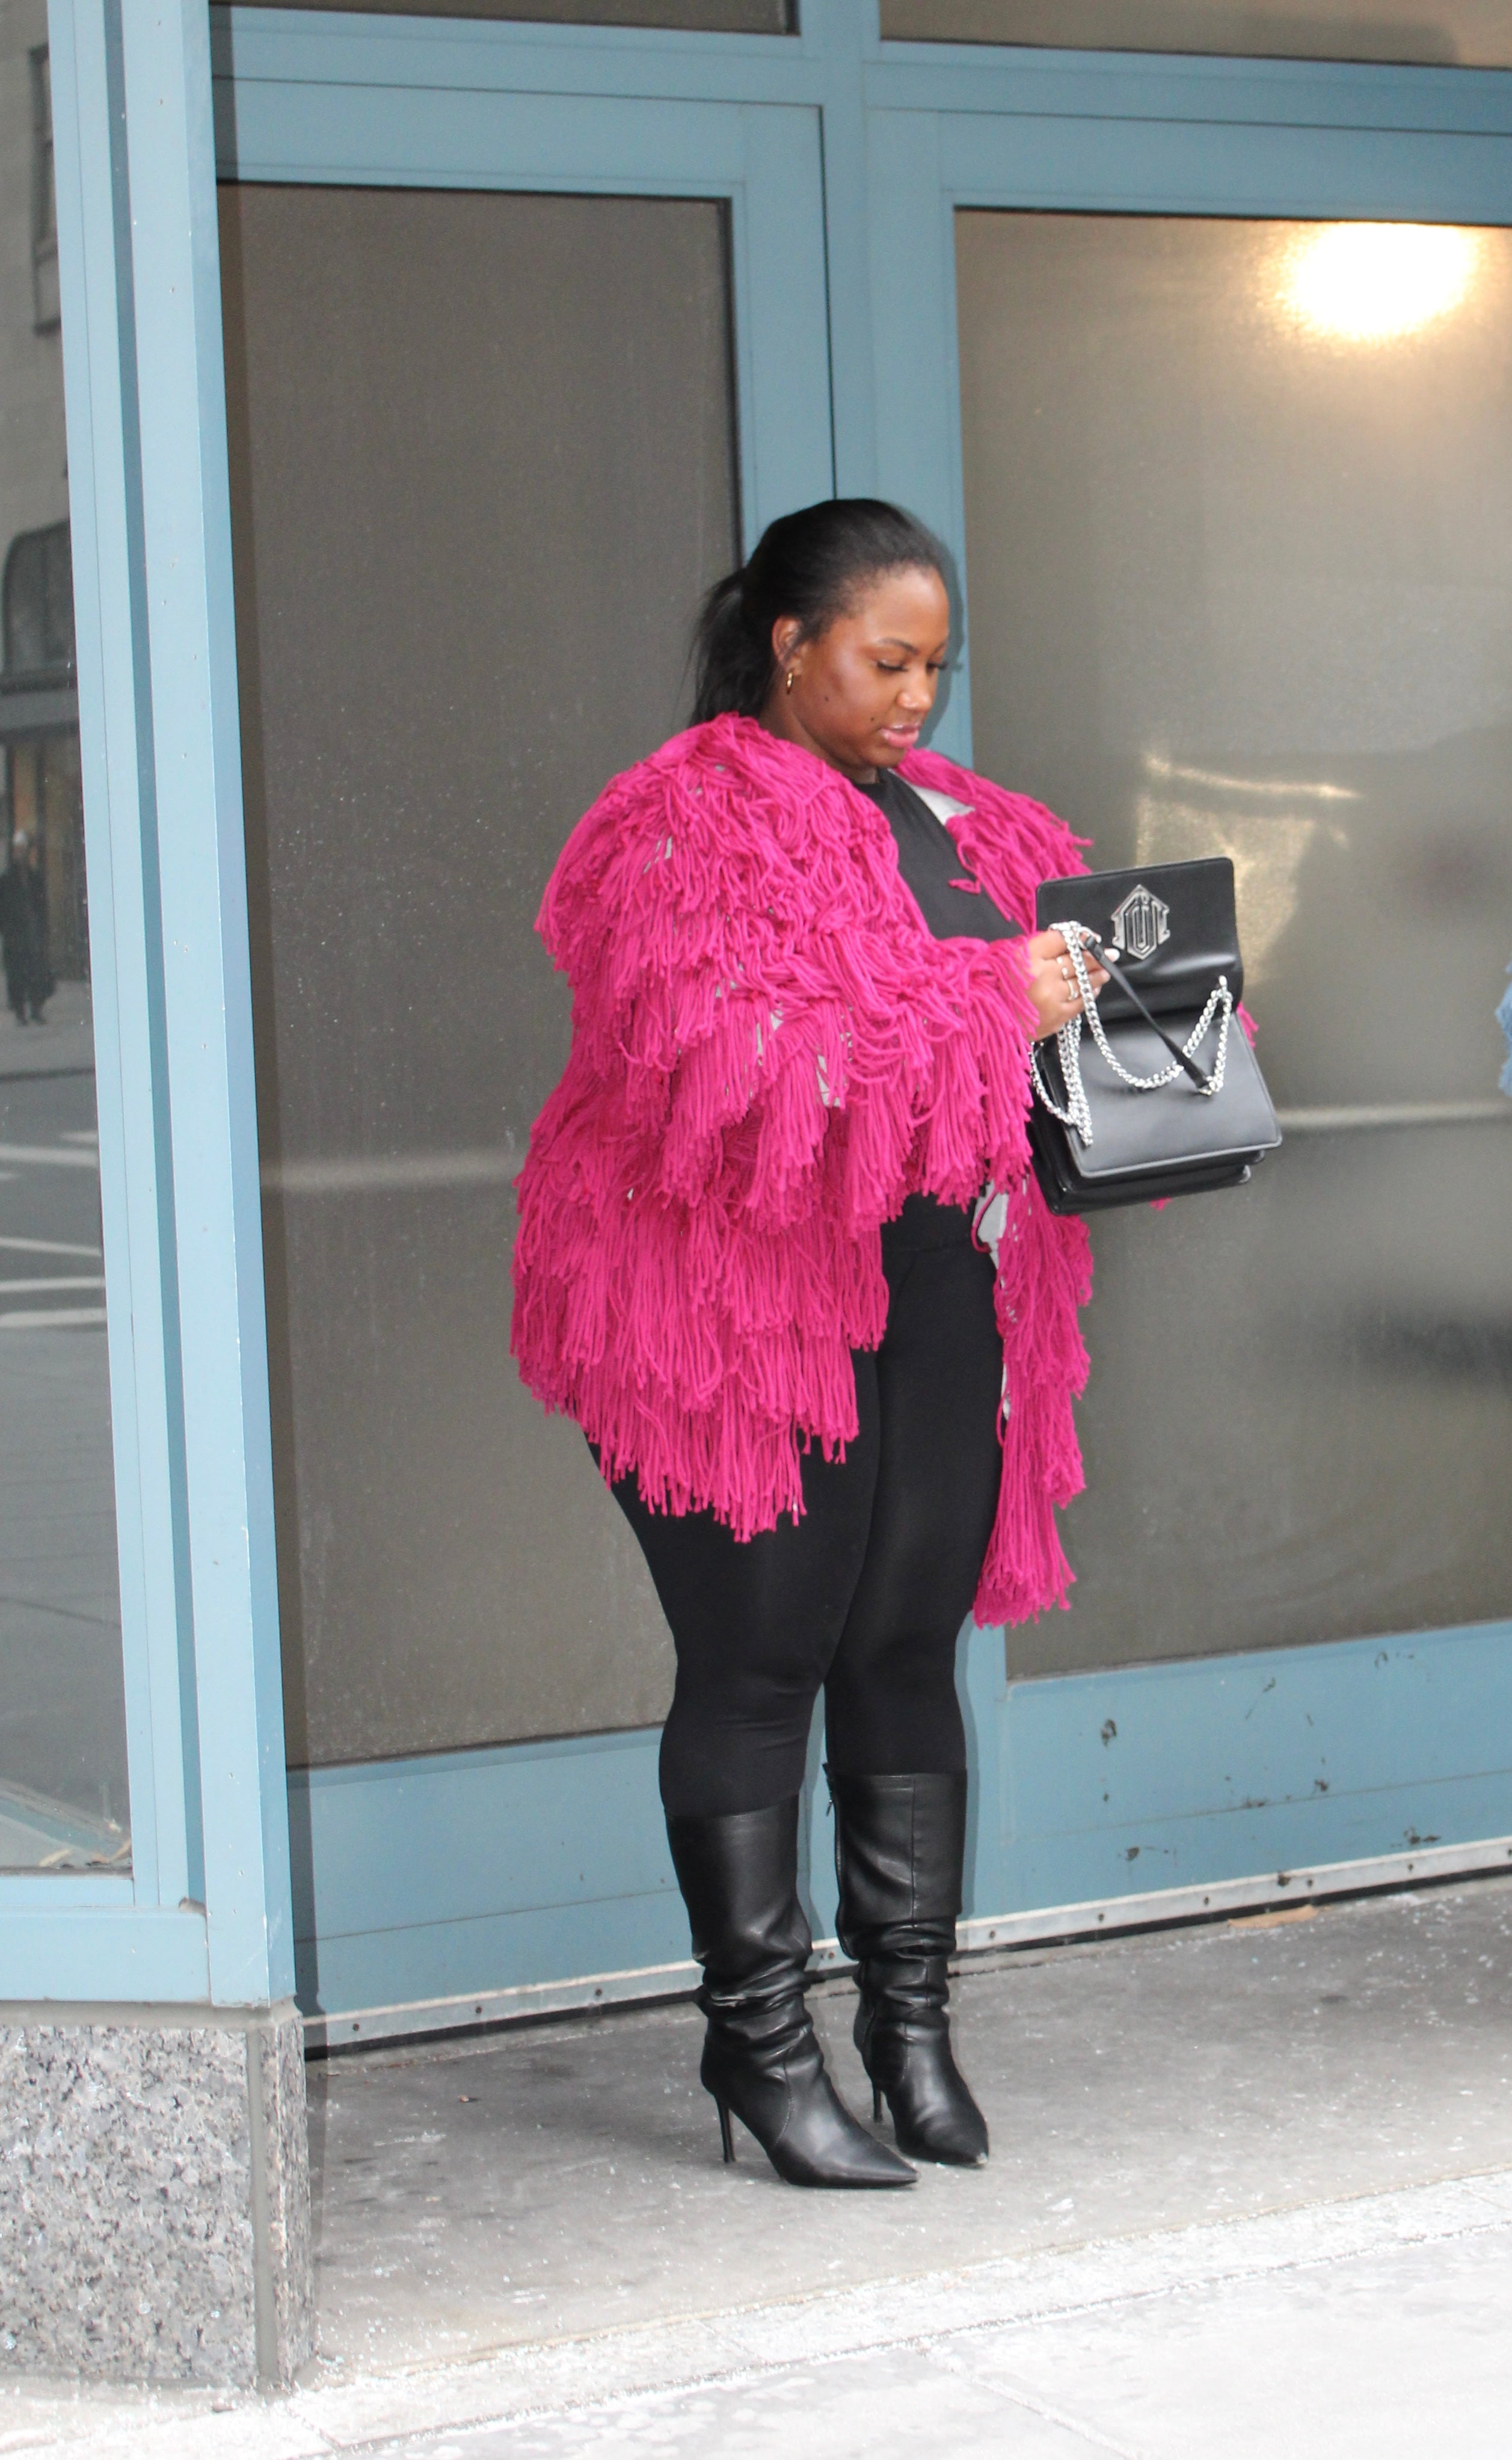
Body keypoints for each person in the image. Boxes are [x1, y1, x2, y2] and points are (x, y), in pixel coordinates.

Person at [514, 499, 1105, 2191]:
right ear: (790, 645)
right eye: (887, 657)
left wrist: (1158, 1025)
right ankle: (760, 2050)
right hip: (722, 1317)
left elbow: (1055, 1008)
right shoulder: (671, 824)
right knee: (764, 1657)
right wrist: (998, 1002)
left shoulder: (971, 826)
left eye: (939, 662)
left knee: (904, 1650)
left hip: (941, 1296)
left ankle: (907, 2036)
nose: (920, 692)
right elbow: (729, 1062)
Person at [0, 832, 53, 1026]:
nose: (20, 854)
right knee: (17, 975)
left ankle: (36, 1008)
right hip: (15, 937)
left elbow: (41, 906)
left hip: (31, 935)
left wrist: (42, 929)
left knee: (35, 972)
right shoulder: (6, 880)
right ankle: (20, 1011)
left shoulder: (34, 877)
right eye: (18, 850)